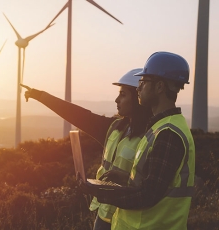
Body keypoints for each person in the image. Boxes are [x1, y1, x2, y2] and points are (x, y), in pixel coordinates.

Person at [21, 68, 153, 230]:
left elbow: (149, 186)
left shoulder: (151, 136)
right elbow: (78, 115)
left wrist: (122, 179)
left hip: (131, 220)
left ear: (138, 97)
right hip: (105, 214)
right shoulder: (114, 128)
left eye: (123, 94)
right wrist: (40, 95)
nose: (117, 99)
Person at [79, 51, 196, 230]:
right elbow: (156, 183)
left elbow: (147, 195)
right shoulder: (159, 128)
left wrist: (101, 192)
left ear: (159, 87)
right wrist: (124, 177)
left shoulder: (168, 134)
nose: (138, 88)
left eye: (143, 82)